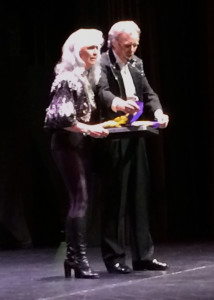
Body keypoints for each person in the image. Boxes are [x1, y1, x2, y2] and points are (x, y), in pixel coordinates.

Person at [96, 20, 169, 274]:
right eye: (127, 45)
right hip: (113, 136)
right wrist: (118, 103)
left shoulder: (137, 63)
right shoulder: (102, 63)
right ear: (114, 42)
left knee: (140, 196)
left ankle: (143, 256)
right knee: (115, 198)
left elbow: (148, 92)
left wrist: (158, 111)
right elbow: (102, 91)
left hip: (136, 135)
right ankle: (114, 256)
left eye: (135, 45)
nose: (132, 50)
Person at [44, 28, 109, 279]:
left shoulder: (84, 78)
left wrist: (96, 126)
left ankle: (74, 258)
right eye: (90, 48)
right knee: (79, 200)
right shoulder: (68, 78)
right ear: (76, 51)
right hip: (66, 142)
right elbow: (60, 117)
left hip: (77, 142)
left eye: (97, 48)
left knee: (80, 200)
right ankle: (78, 259)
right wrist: (89, 129)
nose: (95, 52)